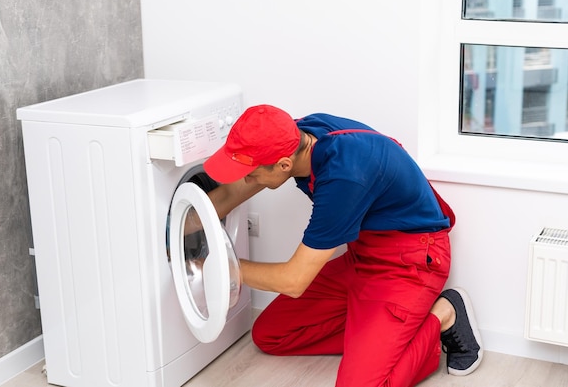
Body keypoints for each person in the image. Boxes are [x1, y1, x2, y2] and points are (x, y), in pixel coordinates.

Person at [203, 104, 483, 387]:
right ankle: (374, 333)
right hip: (362, 257)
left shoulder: (344, 176)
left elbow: (293, 281)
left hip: (408, 264)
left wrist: (219, 268)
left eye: (251, 173)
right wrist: (181, 223)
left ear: (283, 165)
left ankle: (444, 314)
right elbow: (231, 192)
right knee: (270, 334)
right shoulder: (296, 134)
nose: (247, 179)